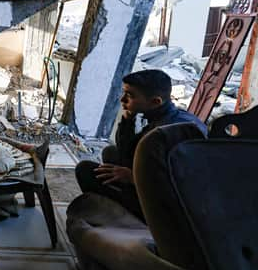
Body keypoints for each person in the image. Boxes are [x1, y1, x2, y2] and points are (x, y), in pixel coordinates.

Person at [74, 69, 207, 220]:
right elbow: (128, 150)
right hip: (154, 179)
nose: (122, 100)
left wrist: (132, 177)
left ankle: (124, 218)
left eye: (129, 96)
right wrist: (128, 119)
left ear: (155, 101)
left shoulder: (168, 132)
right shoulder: (167, 115)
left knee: (84, 170)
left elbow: (179, 185)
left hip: (167, 207)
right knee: (110, 153)